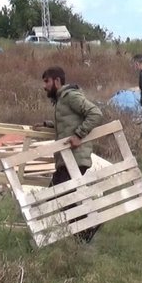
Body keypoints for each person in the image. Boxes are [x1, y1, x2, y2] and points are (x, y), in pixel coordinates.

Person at [36, 66, 104, 243]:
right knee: (61, 195)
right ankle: (83, 234)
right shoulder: (61, 100)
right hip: (68, 159)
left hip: (75, 157)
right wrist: (49, 124)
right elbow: (69, 121)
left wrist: (79, 134)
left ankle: (87, 228)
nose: (44, 86)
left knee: (59, 194)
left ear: (57, 81)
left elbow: (95, 113)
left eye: (46, 81)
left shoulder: (70, 96)